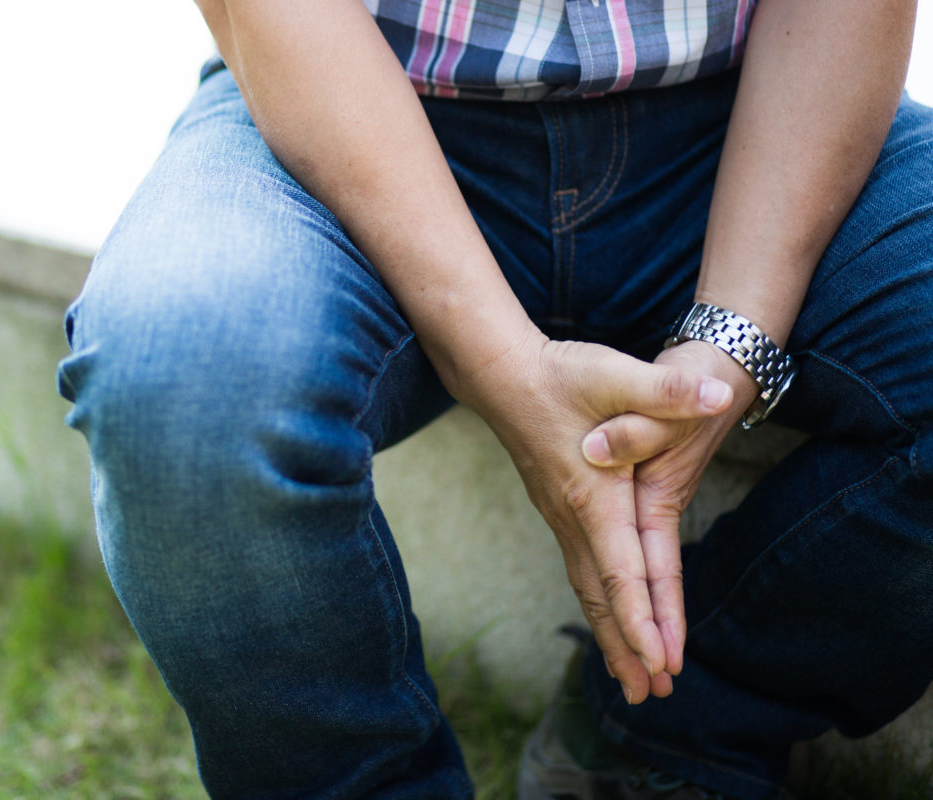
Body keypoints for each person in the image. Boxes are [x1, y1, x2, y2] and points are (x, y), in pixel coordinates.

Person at [55, 0, 933, 797]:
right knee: (183, 386)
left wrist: (734, 335)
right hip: (347, 109)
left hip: (755, 116)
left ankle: (664, 730)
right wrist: (506, 367)